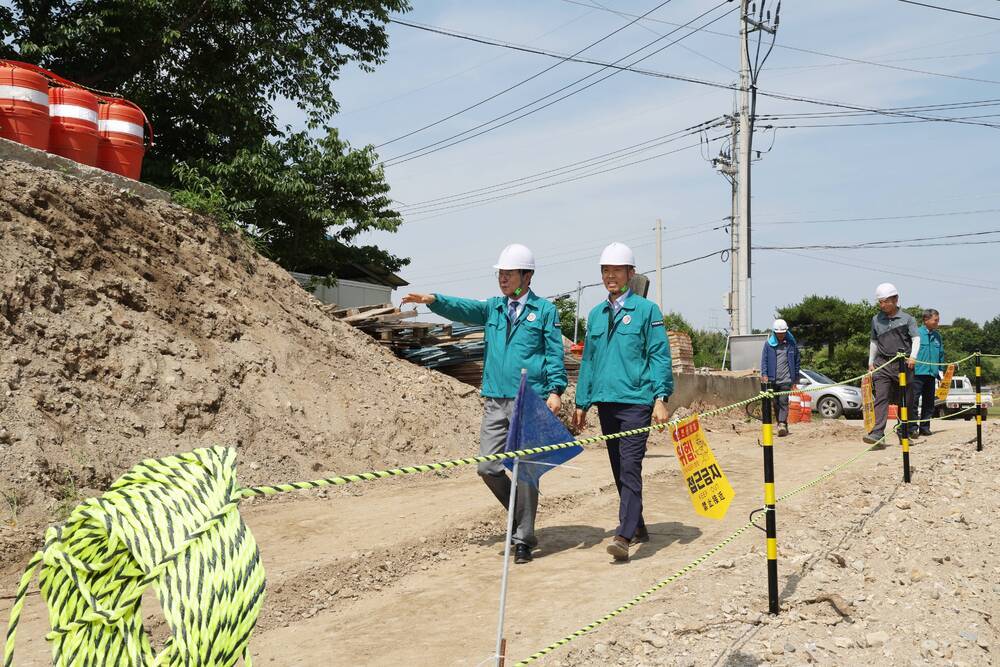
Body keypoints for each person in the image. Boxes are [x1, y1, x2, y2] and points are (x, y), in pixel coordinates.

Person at [401, 244, 567, 565]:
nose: (502, 279)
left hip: (528, 399)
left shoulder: (545, 311)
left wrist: (556, 390)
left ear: (526, 276)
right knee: (488, 466)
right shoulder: (494, 308)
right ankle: (521, 516)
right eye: (500, 274)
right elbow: (463, 308)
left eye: (508, 274)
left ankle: (523, 539)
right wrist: (433, 300)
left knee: (525, 471)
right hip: (495, 398)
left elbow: (554, 354)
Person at [571, 242, 673, 562]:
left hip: (637, 402)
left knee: (630, 466)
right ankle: (638, 523)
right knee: (618, 469)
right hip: (606, 402)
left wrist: (660, 397)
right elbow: (589, 360)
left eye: (616, 270)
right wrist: (581, 401)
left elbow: (659, 356)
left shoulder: (647, 311)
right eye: (605, 271)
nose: (609, 276)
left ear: (631, 273)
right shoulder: (597, 315)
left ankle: (623, 536)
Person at [864, 282, 920, 445]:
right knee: (881, 397)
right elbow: (874, 341)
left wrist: (913, 357)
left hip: (904, 365)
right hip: (882, 364)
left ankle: (903, 430)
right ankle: (877, 433)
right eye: (880, 302)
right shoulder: (876, 320)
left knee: (906, 400)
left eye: (886, 301)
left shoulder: (907, 319)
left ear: (895, 299)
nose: (883, 305)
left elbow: (916, 338)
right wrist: (871, 361)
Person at [760, 318, 800, 437]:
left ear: (786, 332)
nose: (781, 335)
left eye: (783, 333)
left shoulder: (791, 345)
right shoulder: (768, 345)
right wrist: (764, 375)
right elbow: (764, 361)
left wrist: (795, 379)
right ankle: (781, 424)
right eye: (778, 333)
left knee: (783, 401)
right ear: (774, 333)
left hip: (786, 380)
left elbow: (797, 361)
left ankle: (782, 423)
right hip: (773, 380)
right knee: (775, 404)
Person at [910, 308, 944, 438]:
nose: (937, 323)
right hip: (917, 373)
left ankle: (925, 427)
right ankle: (913, 428)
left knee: (929, 402)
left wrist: (940, 371)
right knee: (913, 402)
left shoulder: (937, 336)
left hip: (931, 374)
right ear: (926, 320)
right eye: (935, 320)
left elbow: (941, 353)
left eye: (938, 320)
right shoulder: (916, 334)